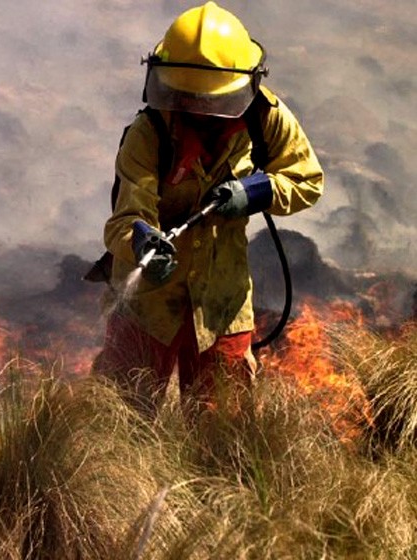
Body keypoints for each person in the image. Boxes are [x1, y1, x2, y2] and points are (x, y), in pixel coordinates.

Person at [92, 1, 323, 417]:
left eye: (208, 99)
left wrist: (256, 192)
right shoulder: (150, 132)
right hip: (148, 305)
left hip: (222, 303)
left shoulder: (265, 118)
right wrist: (143, 242)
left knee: (221, 425)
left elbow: (306, 180)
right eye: (186, 96)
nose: (197, 108)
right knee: (120, 417)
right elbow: (124, 220)